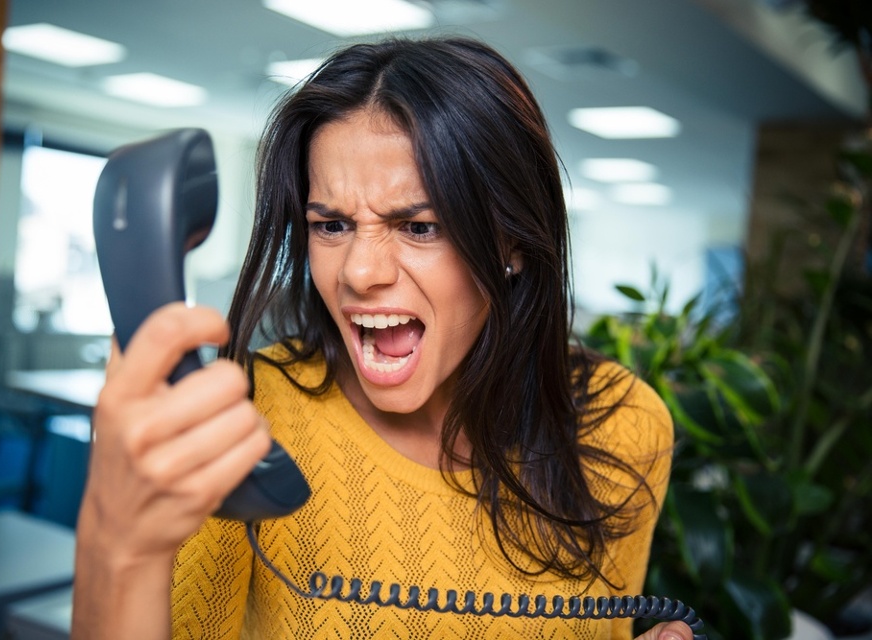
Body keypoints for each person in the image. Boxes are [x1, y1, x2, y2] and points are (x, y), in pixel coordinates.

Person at [71, 37, 694, 640]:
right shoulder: (244, 424)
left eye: (419, 226)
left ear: (512, 242)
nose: (359, 274)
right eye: (333, 224)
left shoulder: (623, 427)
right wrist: (118, 544)